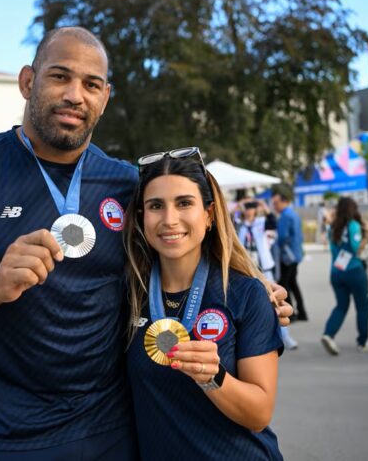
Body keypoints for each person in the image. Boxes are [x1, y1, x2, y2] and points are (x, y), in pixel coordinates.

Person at [0, 27, 293, 459]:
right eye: (59, 77)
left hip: (114, 435)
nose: (75, 95)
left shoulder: (126, 184)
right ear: (28, 82)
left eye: (91, 85)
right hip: (11, 439)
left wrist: (251, 286)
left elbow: (180, 248)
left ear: (105, 98)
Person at [124, 150, 283, 459]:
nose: (170, 220)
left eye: (184, 203)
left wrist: (213, 377)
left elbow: (259, 414)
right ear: (142, 217)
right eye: (156, 206)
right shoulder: (130, 294)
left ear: (209, 214)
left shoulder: (245, 293)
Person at [238, 200, 298, 350]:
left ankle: (285, 337)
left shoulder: (261, 223)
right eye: (246, 209)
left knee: (275, 304)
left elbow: (273, 224)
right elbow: (228, 219)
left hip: (264, 270)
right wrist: (239, 205)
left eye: (251, 209)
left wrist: (265, 207)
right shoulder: (239, 226)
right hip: (245, 270)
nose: (248, 212)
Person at [320, 197, 368, 355]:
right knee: (362, 306)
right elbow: (356, 249)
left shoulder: (333, 227)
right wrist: (367, 235)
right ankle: (363, 342)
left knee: (341, 305)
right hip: (354, 271)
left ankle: (328, 334)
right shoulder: (353, 225)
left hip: (336, 272)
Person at [272, 187, 307, 321]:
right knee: (293, 283)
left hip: (287, 256)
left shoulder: (285, 216)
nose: (275, 206)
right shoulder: (293, 214)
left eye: (276, 203)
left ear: (284, 202)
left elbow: (282, 237)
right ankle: (302, 312)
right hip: (296, 254)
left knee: (284, 284)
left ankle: (291, 313)